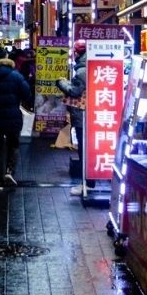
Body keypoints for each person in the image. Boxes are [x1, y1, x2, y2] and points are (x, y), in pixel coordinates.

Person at [0, 47, 32, 191]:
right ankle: (10, 171)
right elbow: (26, 94)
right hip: (13, 116)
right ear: (6, 57)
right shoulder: (16, 75)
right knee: (13, 145)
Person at [56, 39, 88, 195]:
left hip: (83, 116)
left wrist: (62, 83)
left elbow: (75, 91)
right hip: (90, 115)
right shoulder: (86, 67)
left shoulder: (82, 71)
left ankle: (85, 184)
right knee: (85, 150)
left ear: (77, 53)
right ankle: (88, 183)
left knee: (84, 150)